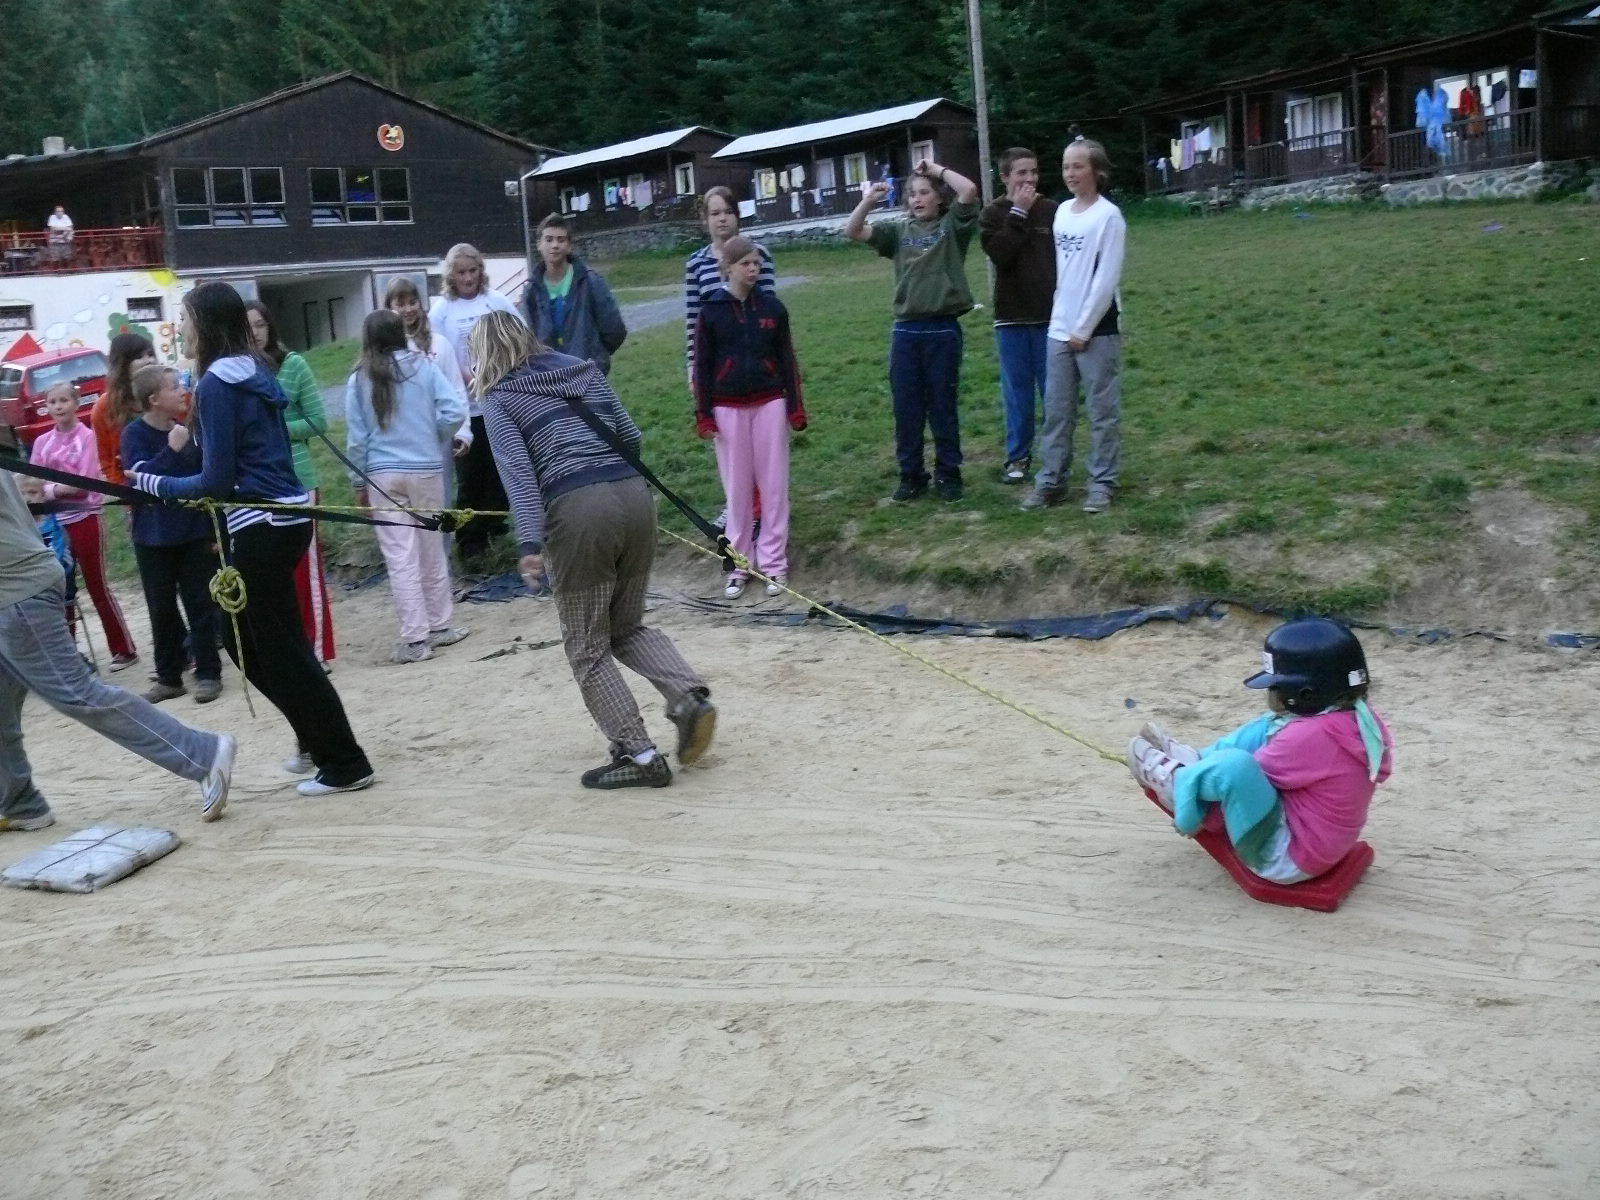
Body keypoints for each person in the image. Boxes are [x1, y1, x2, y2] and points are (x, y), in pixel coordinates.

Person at [127, 281, 374, 798]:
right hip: (281, 520)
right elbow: (229, 464)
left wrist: (152, 483)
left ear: (205, 323)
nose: (181, 328)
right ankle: (321, 746)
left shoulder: (219, 381)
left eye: (185, 317)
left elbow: (215, 483)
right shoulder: (251, 370)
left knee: (278, 650)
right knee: (250, 643)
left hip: (263, 525)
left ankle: (344, 762)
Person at [471, 310, 717, 790]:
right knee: (626, 626)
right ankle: (689, 697)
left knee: (586, 644)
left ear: (483, 353)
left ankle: (639, 754)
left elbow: (519, 477)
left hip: (579, 512)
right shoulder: (582, 370)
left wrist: (529, 542)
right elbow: (631, 436)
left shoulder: (500, 398)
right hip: (634, 498)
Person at [1, 472, 234, 832]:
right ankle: (20, 803)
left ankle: (202, 754)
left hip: (19, 595)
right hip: (15, 589)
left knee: (79, 694)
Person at [1128, 617, 1393, 884]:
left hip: (1286, 859)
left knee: (1235, 767)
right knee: (1271, 725)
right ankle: (1198, 762)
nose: (1272, 693)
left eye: (1277, 686)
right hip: (1326, 848)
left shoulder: (1311, 736)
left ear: (1305, 692)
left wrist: (1191, 816)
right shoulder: (1361, 718)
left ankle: (1182, 785)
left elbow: (1240, 779)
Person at [845, 157, 980, 503]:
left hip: (943, 330)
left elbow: (968, 190)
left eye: (925, 192)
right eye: (912, 194)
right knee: (907, 409)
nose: (917, 199)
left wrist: (936, 170)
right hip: (906, 331)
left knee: (942, 407)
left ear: (939, 198)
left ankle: (948, 474)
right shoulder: (898, 232)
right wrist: (869, 201)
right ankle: (911, 476)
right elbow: (853, 230)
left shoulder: (953, 227)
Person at [344, 309, 469, 664]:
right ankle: (441, 624)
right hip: (427, 469)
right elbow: (454, 411)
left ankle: (415, 639)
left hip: (383, 475)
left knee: (400, 557)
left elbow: (357, 439)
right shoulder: (425, 367)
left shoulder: (359, 379)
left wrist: (358, 481)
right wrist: (433, 437)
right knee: (432, 549)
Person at [692, 235, 806, 600]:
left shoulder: (774, 309)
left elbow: (788, 361)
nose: (753, 269)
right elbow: (702, 367)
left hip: (770, 402)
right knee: (737, 492)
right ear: (728, 267)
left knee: (774, 488)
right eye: (746, 263)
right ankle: (738, 566)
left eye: (757, 263)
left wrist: (796, 408)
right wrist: (704, 415)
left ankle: (774, 564)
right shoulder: (711, 311)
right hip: (727, 409)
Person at [1022, 138, 1127, 515]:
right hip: (1060, 327)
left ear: (1096, 170)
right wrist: (1062, 323)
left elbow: (1105, 278)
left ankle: (1102, 483)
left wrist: (1083, 328)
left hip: (1098, 329)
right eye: (1066, 166)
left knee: (1102, 412)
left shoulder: (1109, 216)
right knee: (1057, 411)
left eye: (1078, 166)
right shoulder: (1063, 212)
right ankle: (1051, 482)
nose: (1070, 173)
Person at [121, 364, 223, 705]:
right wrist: (171, 449)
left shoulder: (190, 430)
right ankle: (169, 677)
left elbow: (205, 480)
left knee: (200, 604)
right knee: (161, 608)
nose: (183, 391)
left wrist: (215, 530)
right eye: (174, 386)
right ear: (154, 399)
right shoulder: (134, 435)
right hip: (152, 538)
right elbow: (140, 480)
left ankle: (208, 674)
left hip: (193, 532)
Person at [245, 300, 336, 667]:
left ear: (270, 326)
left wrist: (275, 428)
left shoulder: (293, 365)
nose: (255, 332)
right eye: (247, 326)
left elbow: (318, 421)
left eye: (260, 324)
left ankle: (317, 651)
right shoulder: (238, 372)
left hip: (299, 480)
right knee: (272, 575)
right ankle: (289, 650)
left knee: (307, 571)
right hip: (258, 485)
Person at [685, 185, 777, 543]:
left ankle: (764, 510)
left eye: (728, 211)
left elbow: (771, 312)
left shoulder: (759, 255)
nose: (722, 219)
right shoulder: (696, 264)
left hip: (755, 365)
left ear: (737, 216)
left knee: (760, 446)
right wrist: (692, 365)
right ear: (705, 220)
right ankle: (736, 505)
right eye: (715, 213)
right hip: (716, 367)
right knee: (728, 446)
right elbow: (693, 319)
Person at [29, 382, 139, 669]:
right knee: (61, 589)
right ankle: (68, 655)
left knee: (97, 586)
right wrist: (56, 490)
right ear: (46, 407)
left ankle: (123, 649)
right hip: (54, 525)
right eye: (52, 402)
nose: (58, 406)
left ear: (76, 403)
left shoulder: (88, 438)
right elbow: (32, 485)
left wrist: (50, 489)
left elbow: (82, 485)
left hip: (86, 519)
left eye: (64, 400)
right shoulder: (42, 443)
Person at [428, 243, 525, 568]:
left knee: (500, 471)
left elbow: (520, 338)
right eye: (461, 273)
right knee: (470, 477)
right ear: (451, 275)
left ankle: (494, 529)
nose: (468, 278)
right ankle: (470, 543)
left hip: (497, 402)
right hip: (464, 410)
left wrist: (499, 369)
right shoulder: (442, 311)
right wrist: (462, 375)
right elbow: (435, 355)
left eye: (472, 271)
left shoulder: (495, 301)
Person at [980, 147, 1059, 485]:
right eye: (1021, 173)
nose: (1030, 179)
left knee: (1053, 392)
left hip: (1050, 317)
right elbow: (1000, 254)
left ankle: (1056, 457)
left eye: (1034, 172)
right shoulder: (992, 214)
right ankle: (1018, 457)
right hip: (1011, 318)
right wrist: (1018, 213)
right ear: (1005, 177)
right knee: (1017, 393)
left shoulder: (1053, 210)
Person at [383, 276, 472, 536]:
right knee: (405, 505)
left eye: (413, 302)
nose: (408, 309)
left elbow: (456, 389)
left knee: (439, 502)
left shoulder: (439, 344)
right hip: (399, 441)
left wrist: (463, 431)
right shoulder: (383, 349)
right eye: (400, 304)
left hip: (437, 436)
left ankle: (441, 557)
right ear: (389, 307)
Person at [523, 214, 627, 374]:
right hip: (550, 377)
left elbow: (614, 329)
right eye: (549, 240)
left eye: (561, 240)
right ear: (539, 245)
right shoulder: (532, 290)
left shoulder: (590, 281)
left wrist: (597, 355)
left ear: (569, 245)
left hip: (587, 375)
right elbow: (528, 339)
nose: (555, 245)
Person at [90, 332, 157, 486]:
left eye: (151, 354)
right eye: (139, 357)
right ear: (122, 364)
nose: (149, 361)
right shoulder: (105, 407)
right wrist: (126, 490)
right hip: (130, 487)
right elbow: (107, 462)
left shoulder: (169, 394)